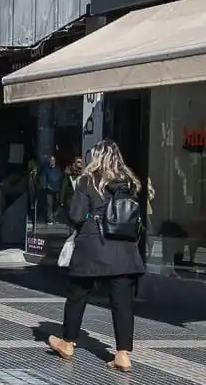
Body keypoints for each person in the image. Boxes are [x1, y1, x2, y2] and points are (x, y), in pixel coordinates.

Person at [47, 139, 145, 372]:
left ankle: (68, 342)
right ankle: (123, 354)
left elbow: (77, 216)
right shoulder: (130, 183)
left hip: (93, 248)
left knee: (77, 295)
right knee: (122, 303)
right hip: (125, 251)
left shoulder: (88, 180)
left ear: (96, 158)